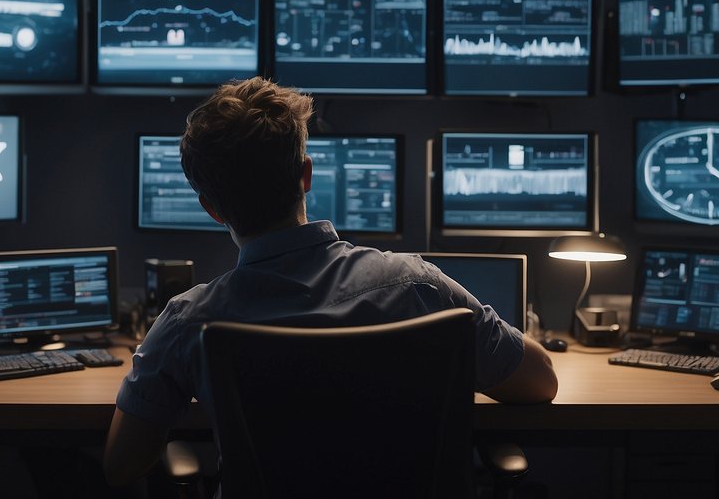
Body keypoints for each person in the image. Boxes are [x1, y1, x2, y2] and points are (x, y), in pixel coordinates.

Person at [104, 77, 558, 487]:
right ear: (305, 175)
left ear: (211, 209)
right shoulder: (418, 286)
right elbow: (541, 383)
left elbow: (122, 465)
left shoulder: (187, 323)